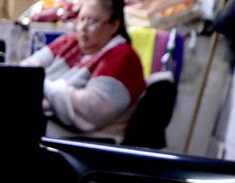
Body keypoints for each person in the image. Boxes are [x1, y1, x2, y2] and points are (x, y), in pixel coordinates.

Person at [22, 0, 145, 142]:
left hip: (86, 146)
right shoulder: (71, 43)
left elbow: (91, 111)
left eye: (92, 21)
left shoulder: (124, 58)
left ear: (114, 25)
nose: (83, 27)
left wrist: (41, 90)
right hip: (49, 131)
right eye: (81, 19)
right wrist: (49, 95)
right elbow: (25, 72)